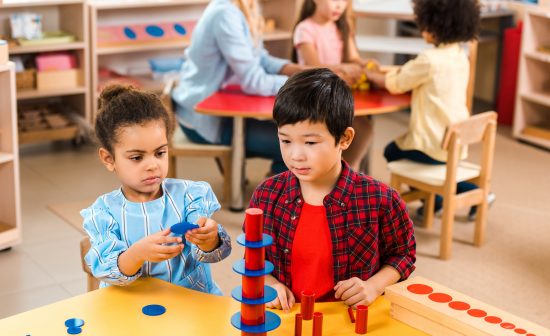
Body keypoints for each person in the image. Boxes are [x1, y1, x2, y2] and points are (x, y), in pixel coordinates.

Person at [248, 69, 416, 311]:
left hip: (348, 321)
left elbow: (403, 255)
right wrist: (269, 282)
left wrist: (373, 286)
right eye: (286, 140)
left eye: (310, 142)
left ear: (345, 139)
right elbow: (254, 258)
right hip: (286, 319)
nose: (296, 155)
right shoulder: (266, 196)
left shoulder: (380, 199)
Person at [82, 84, 231, 295]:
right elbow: (105, 272)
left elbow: (214, 254)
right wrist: (137, 254)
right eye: (137, 157)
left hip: (192, 305)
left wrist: (210, 239)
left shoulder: (191, 196)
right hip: (132, 310)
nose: (153, 165)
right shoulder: (103, 213)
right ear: (109, 159)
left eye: (160, 153)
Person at [366, 0, 494, 220]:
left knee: (391, 152)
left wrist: (371, 75)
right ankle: (435, 202)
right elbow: (411, 75)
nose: (422, 29)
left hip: (431, 146)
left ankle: (458, 194)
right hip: (455, 144)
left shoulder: (428, 60)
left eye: (424, 25)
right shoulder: (460, 55)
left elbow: (396, 83)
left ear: (435, 27)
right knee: (415, 158)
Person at [171, 0, 307, 175]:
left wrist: (298, 71)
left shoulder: (240, 8)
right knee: (297, 144)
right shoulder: (225, 15)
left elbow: (259, 58)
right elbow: (254, 81)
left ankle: (275, 187)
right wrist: (302, 83)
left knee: (295, 134)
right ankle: (274, 193)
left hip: (210, 114)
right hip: (203, 122)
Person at [292, 0, 374, 171]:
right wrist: (342, 71)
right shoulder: (305, 29)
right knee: (360, 128)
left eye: (344, 1)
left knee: (361, 128)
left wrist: (366, 64)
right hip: (314, 98)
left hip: (337, 95)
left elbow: (353, 59)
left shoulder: (342, 27)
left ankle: (344, 176)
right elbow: (314, 70)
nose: (339, 5)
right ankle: (342, 177)